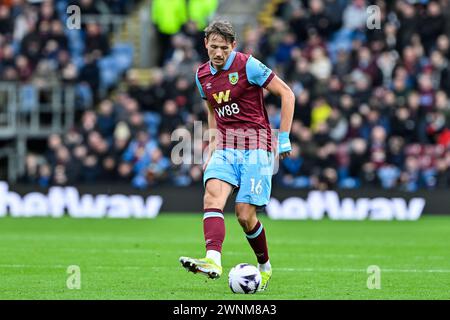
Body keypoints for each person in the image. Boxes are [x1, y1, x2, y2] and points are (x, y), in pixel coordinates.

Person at [179, 21, 295, 291]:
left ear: (233, 46)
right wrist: (212, 143)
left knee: (244, 215)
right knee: (212, 196)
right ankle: (213, 260)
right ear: (205, 44)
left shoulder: (248, 66)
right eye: (213, 47)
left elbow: (287, 94)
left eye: (223, 47)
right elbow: (212, 109)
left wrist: (284, 137)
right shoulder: (201, 76)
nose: (218, 53)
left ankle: (264, 266)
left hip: (257, 146)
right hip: (227, 148)